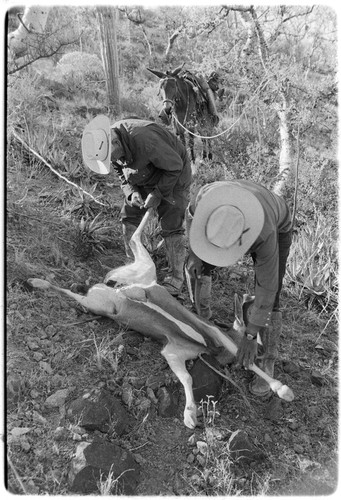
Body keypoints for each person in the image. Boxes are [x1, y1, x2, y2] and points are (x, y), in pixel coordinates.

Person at [186, 180, 292, 397]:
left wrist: (251, 335)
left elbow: (267, 287)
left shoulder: (265, 235)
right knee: (196, 267)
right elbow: (190, 219)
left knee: (273, 296)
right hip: (237, 209)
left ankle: (266, 362)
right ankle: (206, 327)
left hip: (277, 223)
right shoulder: (205, 199)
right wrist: (196, 253)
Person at [81, 115, 192, 296]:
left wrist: (157, 194)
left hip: (174, 175)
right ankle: (134, 269)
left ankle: (176, 279)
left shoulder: (146, 140)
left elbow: (174, 167)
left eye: (110, 157)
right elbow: (119, 169)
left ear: (116, 143)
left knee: (171, 223)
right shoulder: (109, 143)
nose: (110, 161)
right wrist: (131, 192)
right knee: (129, 217)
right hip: (141, 175)